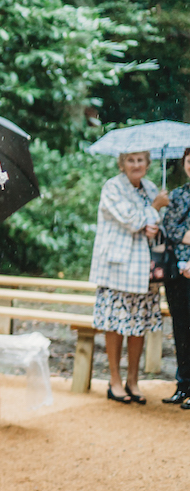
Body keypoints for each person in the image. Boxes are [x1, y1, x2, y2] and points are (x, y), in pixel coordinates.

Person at [89, 150, 169, 404]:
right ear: (122, 164)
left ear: (147, 163)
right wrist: (154, 208)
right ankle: (114, 381)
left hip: (146, 268)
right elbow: (131, 219)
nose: (136, 165)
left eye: (140, 160)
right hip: (119, 266)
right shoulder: (112, 188)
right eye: (131, 160)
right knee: (116, 324)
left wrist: (154, 224)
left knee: (139, 324)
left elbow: (152, 224)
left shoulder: (150, 187)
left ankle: (133, 380)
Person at [160, 148, 190, 407]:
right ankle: (183, 384)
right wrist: (184, 236)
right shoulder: (178, 194)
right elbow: (168, 226)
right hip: (177, 272)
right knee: (181, 327)